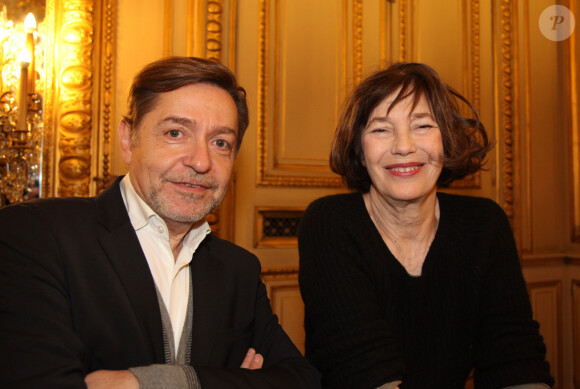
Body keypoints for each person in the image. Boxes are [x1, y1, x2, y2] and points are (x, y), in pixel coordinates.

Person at [0, 56, 320, 389]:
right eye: (175, 132)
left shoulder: (238, 270)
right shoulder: (33, 236)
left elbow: (301, 380)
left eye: (220, 142)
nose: (200, 161)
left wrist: (155, 382)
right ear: (128, 139)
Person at [298, 62, 554, 389]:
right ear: (360, 151)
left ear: (445, 141)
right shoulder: (330, 223)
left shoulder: (484, 224)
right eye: (380, 129)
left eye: (421, 125)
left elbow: (515, 360)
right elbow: (363, 371)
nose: (403, 146)